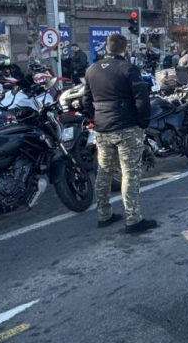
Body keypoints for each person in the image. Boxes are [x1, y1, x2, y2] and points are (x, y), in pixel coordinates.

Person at [82, 33, 156, 234]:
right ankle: (133, 220)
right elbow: (142, 100)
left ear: (107, 47)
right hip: (127, 128)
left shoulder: (92, 69)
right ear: (124, 48)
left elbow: (86, 101)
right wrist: (143, 122)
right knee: (130, 172)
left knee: (104, 171)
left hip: (102, 128)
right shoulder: (128, 69)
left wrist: (96, 118)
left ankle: (104, 215)